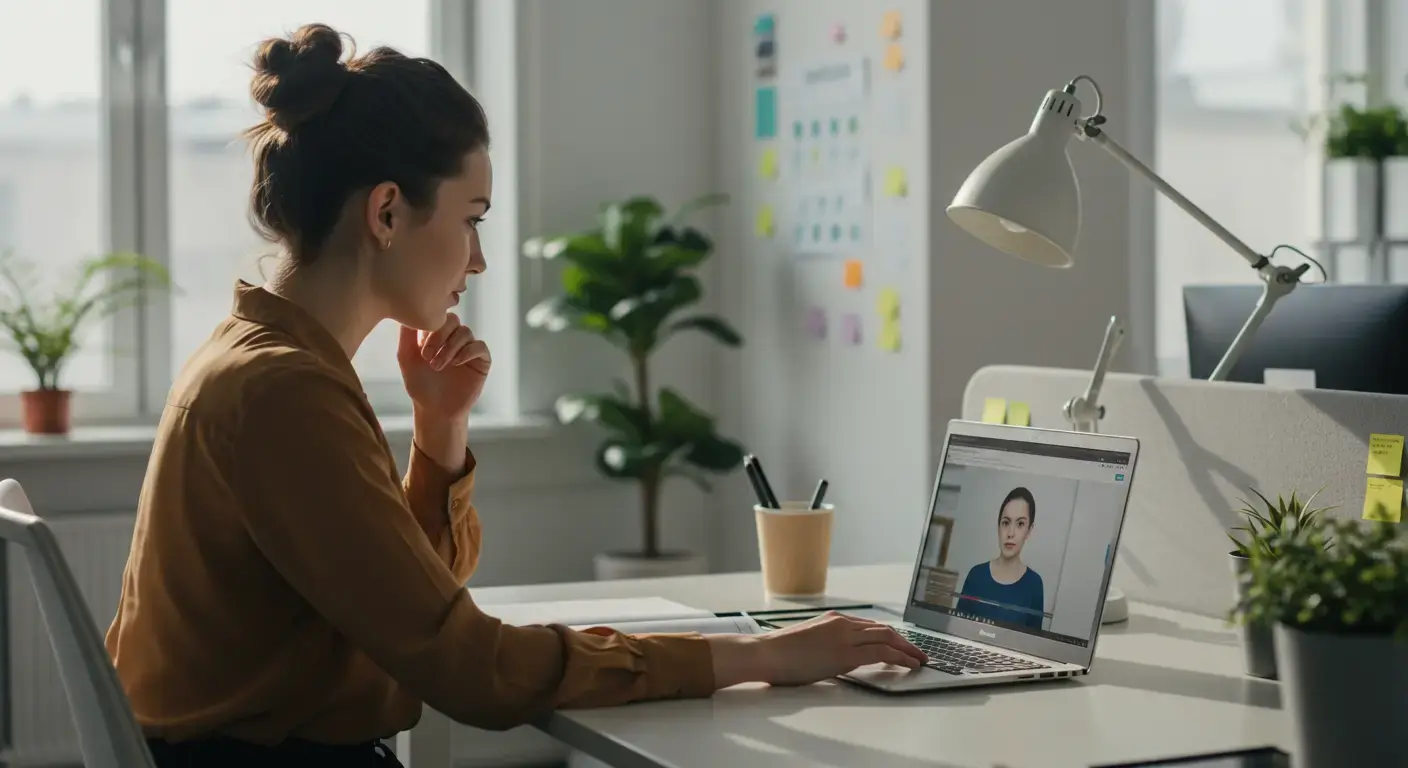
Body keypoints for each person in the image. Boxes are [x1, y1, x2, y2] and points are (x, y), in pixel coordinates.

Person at [103, 23, 926, 767]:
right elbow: (471, 668)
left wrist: (441, 429)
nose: (478, 261)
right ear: (387, 212)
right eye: (472, 219)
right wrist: (763, 658)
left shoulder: (259, 357)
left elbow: (416, 604)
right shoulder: (283, 392)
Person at [957, 487, 1045, 630]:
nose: (1010, 533)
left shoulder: (1034, 584)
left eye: (1020, 524)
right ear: (998, 526)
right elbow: (957, 628)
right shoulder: (976, 574)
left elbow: (1032, 644)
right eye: (1005, 522)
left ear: (1029, 531)